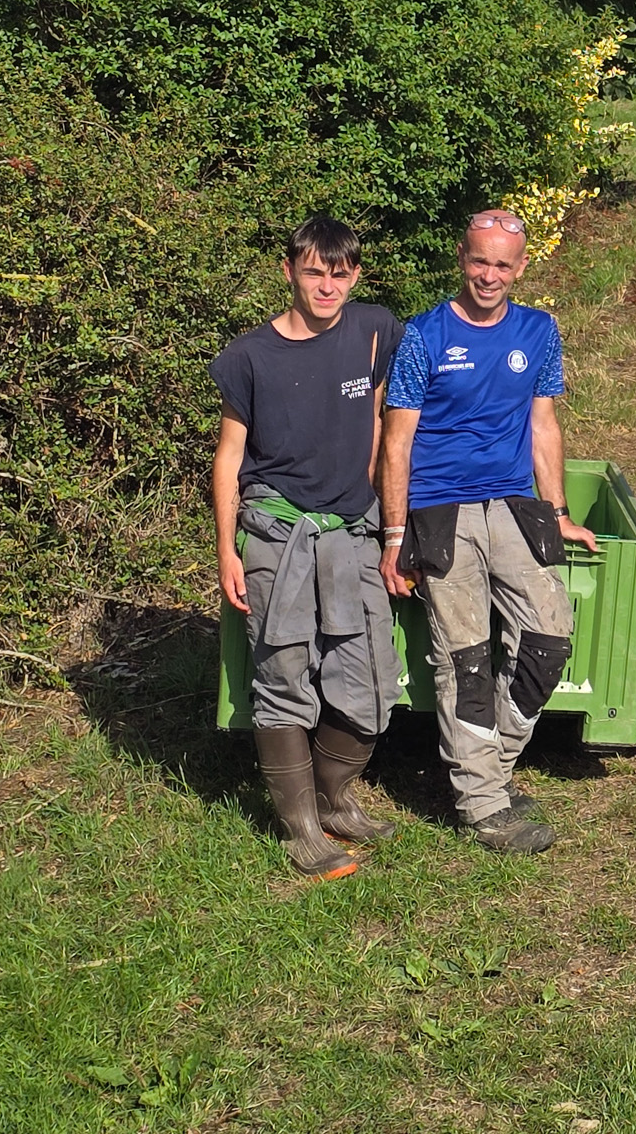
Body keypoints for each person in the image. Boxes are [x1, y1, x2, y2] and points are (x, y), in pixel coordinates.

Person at [378, 210, 597, 854]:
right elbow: (397, 443)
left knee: (550, 633)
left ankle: (492, 770)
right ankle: (481, 805)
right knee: (466, 655)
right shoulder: (424, 335)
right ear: (461, 258)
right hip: (440, 510)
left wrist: (557, 512)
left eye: (503, 264)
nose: (490, 275)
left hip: (512, 506)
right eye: (480, 261)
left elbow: (544, 426)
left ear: (521, 267)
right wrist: (395, 537)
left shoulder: (538, 330)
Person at [209, 216, 402, 880]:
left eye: (340, 271)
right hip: (276, 534)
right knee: (285, 679)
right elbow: (229, 457)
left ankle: (334, 799)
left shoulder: (374, 330)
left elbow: (380, 422)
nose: (327, 285)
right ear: (289, 269)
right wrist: (228, 553)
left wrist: (389, 523)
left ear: (356, 273)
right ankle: (300, 830)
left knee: (375, 680)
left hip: (352, 528)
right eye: (315, 271)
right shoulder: (250, 358)